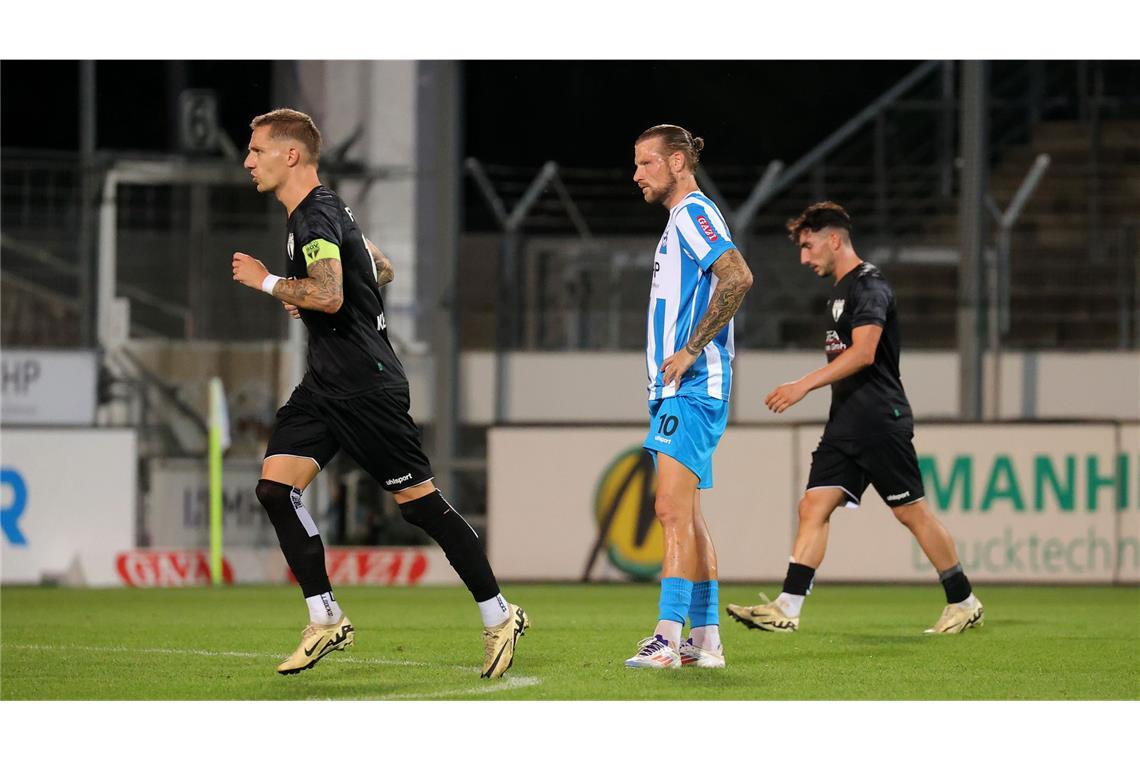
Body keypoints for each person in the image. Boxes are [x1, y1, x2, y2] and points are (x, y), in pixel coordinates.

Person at [231, 108, 528, 677]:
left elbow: (335, 296)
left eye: (257, 149)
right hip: (325, 385)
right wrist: (309, 291)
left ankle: (500, 615)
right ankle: (326, 618)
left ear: (290, 155)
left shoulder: (314, 217)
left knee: (421, 509)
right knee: (275, 489)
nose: (248, 160)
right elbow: (380, 268)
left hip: (366, 387)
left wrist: (272, 282)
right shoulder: (327, 210)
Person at [726, 201, 983, 635]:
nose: (804, 258)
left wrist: (803, 384)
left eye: (808, 247)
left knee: (911, 513)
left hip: (880, 419)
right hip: (846, 422)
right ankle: (787, 607)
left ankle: (964, 600)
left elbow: (864, 355)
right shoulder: (841, 290)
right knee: (813, 506)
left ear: (834, 239)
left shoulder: (870, 286)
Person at [623, 125, 753, 669]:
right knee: (690, 517)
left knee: (669, 510)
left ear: (677, 162)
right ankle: (706, 641)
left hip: (693, 388)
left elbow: (738, 277)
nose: (636, 175)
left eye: (646, 164)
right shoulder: (682, 220)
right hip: (677, 389)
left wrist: (693, 349)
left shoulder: (694, 214)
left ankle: (667, 638)